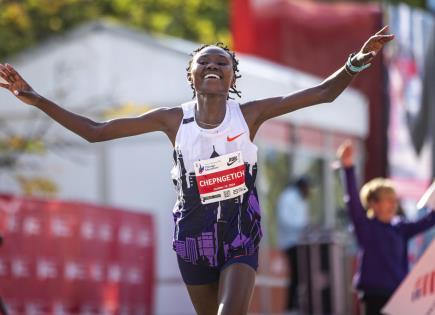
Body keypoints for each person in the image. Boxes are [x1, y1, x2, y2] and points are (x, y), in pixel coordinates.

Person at [0, 26, 393, 315]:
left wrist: (356, 61)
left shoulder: (250, 115)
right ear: (190, 75)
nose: (213, 66)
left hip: (240, 234)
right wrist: (36, 100)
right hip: (192, 239)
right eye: (203, 61)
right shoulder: (172, 120)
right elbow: (95, 131)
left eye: (222, 63)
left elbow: (322, 94)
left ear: (232, 77)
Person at [337, 140, 435, 315]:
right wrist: (348, 167)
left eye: (394, 200)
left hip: (399, 296)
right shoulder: (365, 227)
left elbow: (429, 220)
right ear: (373, 204)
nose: (392, 204)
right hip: (372, 295)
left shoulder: (401, 227)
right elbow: (352, 200)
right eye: (387, 200)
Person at [276, 176, 311, 312]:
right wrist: (303, 226)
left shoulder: (300, 199)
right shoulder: (289, 197)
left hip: (300, 243)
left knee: (301, 276)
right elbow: (286, 220)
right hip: (291, 243)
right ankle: (291, 308)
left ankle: (297, 306)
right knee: (296, 276)